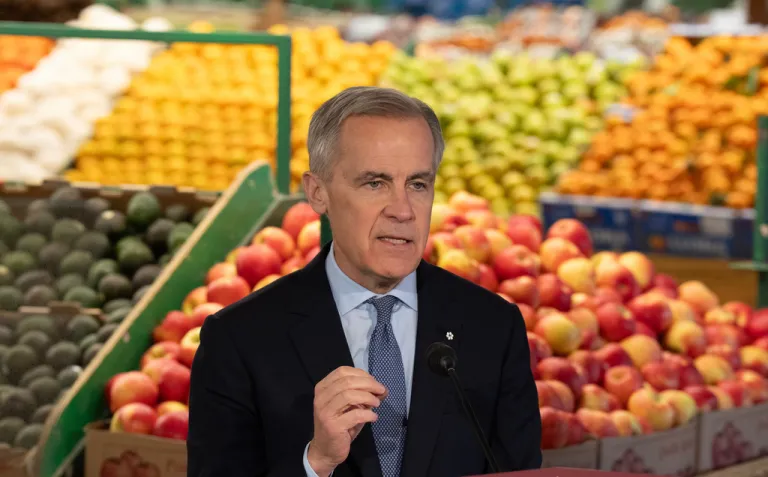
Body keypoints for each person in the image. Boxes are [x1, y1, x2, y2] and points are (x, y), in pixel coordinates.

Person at [187, 86, 542, 477]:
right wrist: (315, 462)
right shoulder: (239, 339)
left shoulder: (493, 326)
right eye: (375, 183)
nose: (403, 210)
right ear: (317, 192)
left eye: (418, 184)